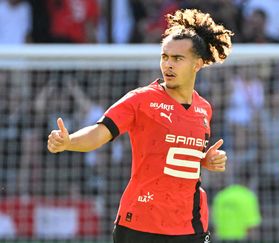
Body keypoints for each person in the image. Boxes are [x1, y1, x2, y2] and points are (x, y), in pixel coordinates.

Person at [47, 8, 232, 243]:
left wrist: (205, 159)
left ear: (197, 64)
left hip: (189, 224)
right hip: (141, 222)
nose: (168, 65)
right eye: (165, 57)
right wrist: (69, 141)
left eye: (177, 58)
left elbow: (177, 154)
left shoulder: (204, 108)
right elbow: (99, 133)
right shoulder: (141, 99)